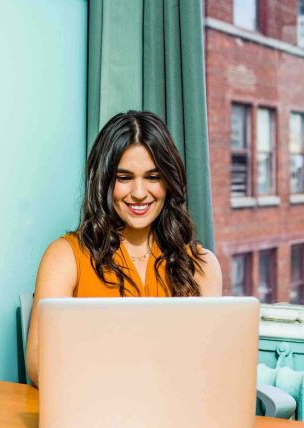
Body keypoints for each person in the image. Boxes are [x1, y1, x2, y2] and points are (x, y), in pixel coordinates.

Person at [26, 110, 222, 385]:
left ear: (169, 181)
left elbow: (208, 366)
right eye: (124, 177)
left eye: (153, 177)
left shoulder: (202, 264)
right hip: (91, 410)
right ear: (104, 182)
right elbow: (38, 366)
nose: (140, 193)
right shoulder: (64, 257)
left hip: (176, 416)